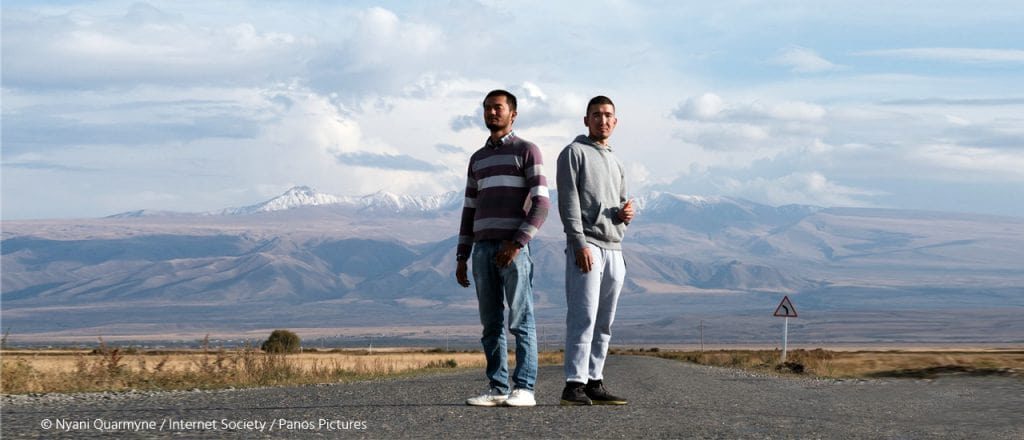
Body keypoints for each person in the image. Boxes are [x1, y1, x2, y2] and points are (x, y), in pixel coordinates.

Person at [455, 89, 550, 407]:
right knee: (490, 323)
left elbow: (541, 203)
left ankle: (524, 388)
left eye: (497, 108)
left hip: (514, 250)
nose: (491, 113)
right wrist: (462, 254)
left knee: (521, 319)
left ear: (513, 114)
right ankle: (497, 389)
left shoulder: (527, 151)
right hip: (482, 249)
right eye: (486, 108)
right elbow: (469, 209)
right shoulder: (477, 159)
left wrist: (518, 242)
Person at [556, 95, 634, 406]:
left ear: (615, 122)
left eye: (608, 115)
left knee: (605, 321)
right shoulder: (573, 153)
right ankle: (573, 385)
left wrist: (624, 215)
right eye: (596, 115)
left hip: (615, 247)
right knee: (583, 316)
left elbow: (621, 202)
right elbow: (569, 201)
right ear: (586, 120)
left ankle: (594, 381)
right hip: (588, 245)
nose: (603, 120)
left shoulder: (616, 161)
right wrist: (578, 243)